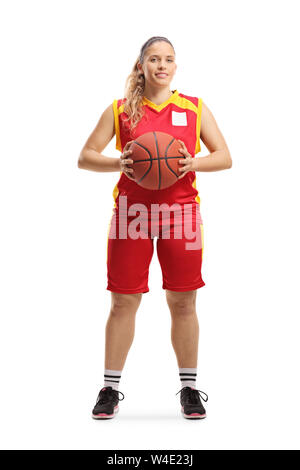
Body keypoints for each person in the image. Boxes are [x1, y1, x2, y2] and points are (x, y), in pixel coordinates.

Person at [78, 36, 232, 420]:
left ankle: (190, 389)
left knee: (183, 301)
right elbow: (85, 156)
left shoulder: (194, 108)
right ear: (142, 65)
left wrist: (192, 165)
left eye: (169, 59)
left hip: (181, 214)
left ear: (175, 67)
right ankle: (110, 389)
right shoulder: (119, 110)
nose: (162, 65)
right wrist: (119, 164)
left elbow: (225, 156)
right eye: (154, 59)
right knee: (123, 301)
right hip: (132, 214)